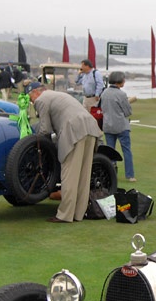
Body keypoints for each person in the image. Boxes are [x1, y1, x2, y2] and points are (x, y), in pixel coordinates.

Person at [29, 82, 104, 223]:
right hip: (90, 127)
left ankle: (65, 215)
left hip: (74, 130)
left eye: (30, 97)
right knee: (83, 175)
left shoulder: (41, 100)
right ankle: (78, 214)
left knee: (69, 174)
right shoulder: (58, 94)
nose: (31, 101)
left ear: (35, 92)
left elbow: (45, 130)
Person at [100, 70, 137, 182]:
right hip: (121, 126)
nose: (124, 81)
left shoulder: (104, 93)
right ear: (119, 81)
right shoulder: (122, 94)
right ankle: (130, 175)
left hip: (108, 125)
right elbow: (127, 112)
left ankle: (111, 174)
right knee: (126, 150)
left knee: (110, 152)